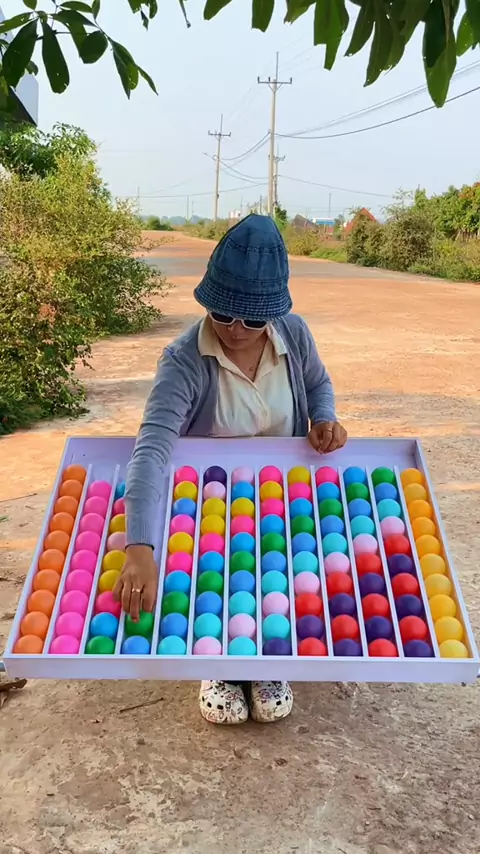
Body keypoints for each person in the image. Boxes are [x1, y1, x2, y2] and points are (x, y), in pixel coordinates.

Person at [115, 214, 347, 726]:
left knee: (281, 567)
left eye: (253, 319)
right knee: (215, 575)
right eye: (223, 313)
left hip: (282, 493)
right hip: (208, 502)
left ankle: (269, 656)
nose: (236, 329)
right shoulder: (184, 360)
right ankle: (215, 657)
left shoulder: (294, 334)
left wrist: (324, 416)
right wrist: (139, 547)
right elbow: (152, 448)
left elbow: (319, 383)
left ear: (273, 314)